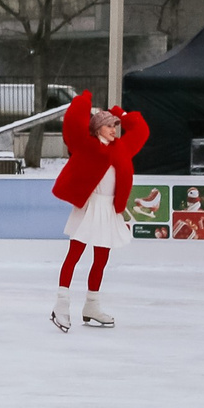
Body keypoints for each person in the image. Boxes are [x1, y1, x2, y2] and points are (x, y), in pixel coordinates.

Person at [48, 89, 149, 332]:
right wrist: (84, 101)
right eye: (110, 126)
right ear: (97, 129)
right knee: (74, 254)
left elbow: (142, 130)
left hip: (109, 210)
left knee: (101, 260)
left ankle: (92, 305)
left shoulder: (121, 148)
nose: (114, 130)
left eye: (115, 126)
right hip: (89, 206)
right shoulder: (85, 145)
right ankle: (61, 304)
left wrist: (121, 114)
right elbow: (72, 123)